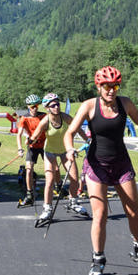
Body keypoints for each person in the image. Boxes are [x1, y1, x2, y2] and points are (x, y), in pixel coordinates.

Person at [64, 66, 138, 275]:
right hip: (96, 165)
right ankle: (98, 259)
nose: (111, 90)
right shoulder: (89, 106)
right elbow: (69, 132)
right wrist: (70, 149)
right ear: (99, 86)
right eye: (107, 86)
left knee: (133, 211)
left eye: (115, 86)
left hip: (121, 164)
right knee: (100, 215)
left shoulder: (125, 103)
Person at [29, 93, 89, 225]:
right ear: (47, 108)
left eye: (58, 104)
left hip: (65, 151)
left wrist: (88, 140)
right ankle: (47, 208)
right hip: (49, 152)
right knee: (49, 181)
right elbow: (35, 134)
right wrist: (31, 140)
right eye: (53, 105)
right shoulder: (45, 121)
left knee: (74, 177)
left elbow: (78, 129)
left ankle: (73, 202)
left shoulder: (65, 117)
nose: (57, 107)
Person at [15, 94, 46, 206]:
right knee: (29, 169)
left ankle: (59, 186)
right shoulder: (25, 118)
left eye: (36, 106)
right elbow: (19, 135)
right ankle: (29, 194)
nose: (35, 108)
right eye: (32, 106)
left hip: (44, 145)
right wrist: (20, 149)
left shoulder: (44, 116)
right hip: (32, 146)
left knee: (53, 168)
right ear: (28, 107)